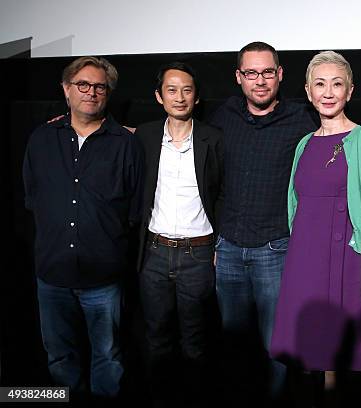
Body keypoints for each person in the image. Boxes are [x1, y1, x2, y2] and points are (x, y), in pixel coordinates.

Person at [22, 56, 144, 398]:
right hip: (52, 275)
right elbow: (33, 198)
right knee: (60, 358)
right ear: (66, 89)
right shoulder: (41, 139)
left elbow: (134, 207)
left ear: (108, 93)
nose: (90, 92)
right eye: (82, 85)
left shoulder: (126, 144)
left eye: (99, 86)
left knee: (108, 359)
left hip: (103, 279)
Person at [208, 41, 317, 398]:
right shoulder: (223, 118)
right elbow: (177, 133)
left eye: (267, 72)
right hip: (227, 250)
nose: (260, 81)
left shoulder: (302, 119)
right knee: (233, 341)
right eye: (251, 73)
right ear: (239, 77)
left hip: (276, 247)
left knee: (277, 344)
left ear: (280, 75)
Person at [270, 51, 361, 388]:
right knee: (307, 353)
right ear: (308, 91)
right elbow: (296, 202)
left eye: (337, 84)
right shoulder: (304, 143)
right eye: (320, 84)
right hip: (305, 255)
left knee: (338, 355)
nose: (328, 92)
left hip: (347, 256)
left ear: (350, 91)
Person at [134, 62, 223, 405]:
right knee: (156, 339)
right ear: (159, 97)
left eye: (187, 90)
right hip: (154, 253)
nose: (180, 97)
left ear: (197, 97)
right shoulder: (144, 134)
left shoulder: (213, 138)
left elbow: (225, 192)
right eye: (171, 90)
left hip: (198, 255)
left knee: (195, 342)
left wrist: (219, 244)